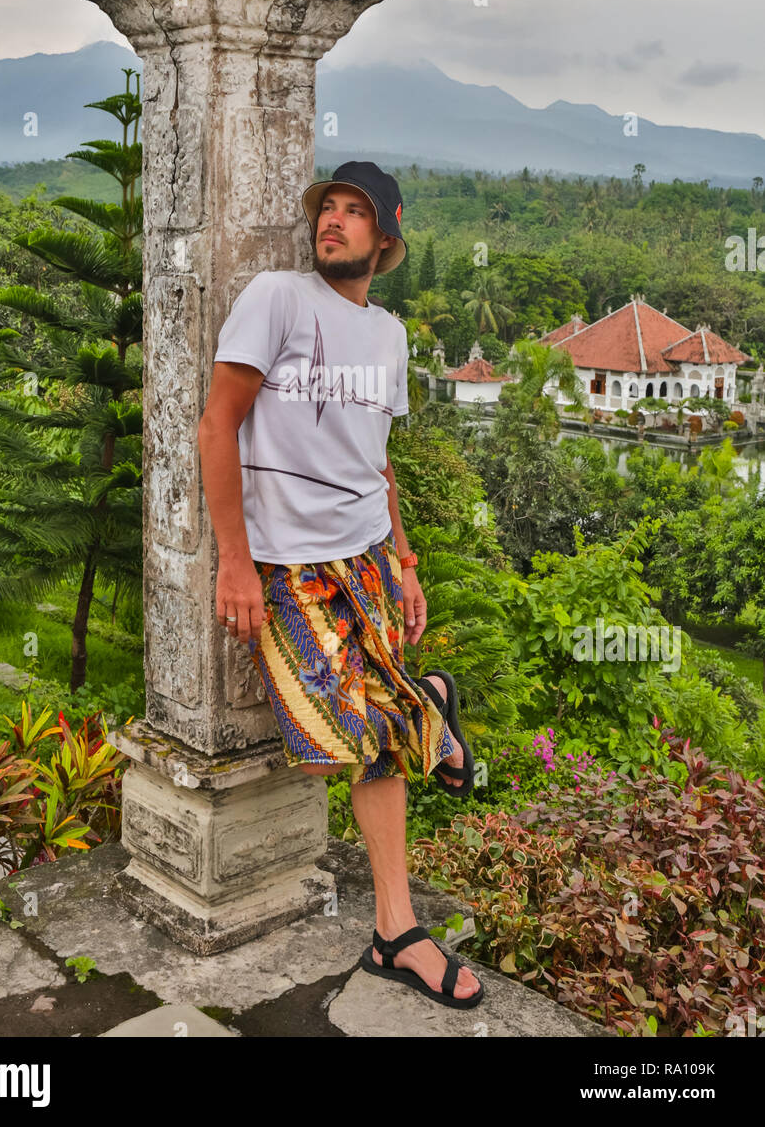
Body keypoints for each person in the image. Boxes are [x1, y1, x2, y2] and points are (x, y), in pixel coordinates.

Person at [198, 159, 483, 1009]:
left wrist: (404, 559)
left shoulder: (388, 336)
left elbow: (377, 460)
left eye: (355, 212)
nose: (334, 221)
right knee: (342, 729)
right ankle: (427, 701)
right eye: (328, 208)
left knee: (378, 738)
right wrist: (235, 559)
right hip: (290, 566)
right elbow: (219, 421)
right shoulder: (277, 299)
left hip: (365, 557)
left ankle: (395, 929)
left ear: (385, 235)